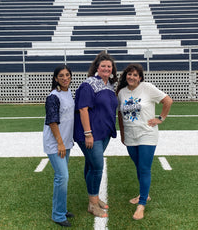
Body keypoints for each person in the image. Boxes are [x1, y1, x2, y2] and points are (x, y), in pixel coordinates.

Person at [117, 63, 173, 220]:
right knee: (138, 167)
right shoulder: (121, 93)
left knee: (144, 168)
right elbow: (120, 115)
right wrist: (122, 134)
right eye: (129, 74)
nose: (132, 77)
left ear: (140, 77)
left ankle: (141, 204)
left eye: (135, 75)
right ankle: (144, 194)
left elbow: (168, 101)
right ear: (125, 76)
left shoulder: (147, 87)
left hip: (147, 134)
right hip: (130, 135)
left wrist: (160, 118)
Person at [74, 51, 118, 218]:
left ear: (112, 68)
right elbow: (83, 109)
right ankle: (92, 204)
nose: (106, 68)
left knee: (91, 164)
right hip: (90, 134)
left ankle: (94, 197)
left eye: (109, 66)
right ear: (97, 67)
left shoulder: (109, 85)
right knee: (97, 167)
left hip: (104, 132)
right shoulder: (89, 84)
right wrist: (88, 134)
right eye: (103, 66)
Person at [43, 64, 75, 227]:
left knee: (62, 177)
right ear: (55, 78)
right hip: (56, 144)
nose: (65, 78)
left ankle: (61, 209)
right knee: (62, 177)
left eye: (67, 75)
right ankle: (57, 214)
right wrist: (60, 143)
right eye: (61, 76)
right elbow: (52, 121)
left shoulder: (68, 93)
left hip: (65, 143)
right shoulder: (53, 96)